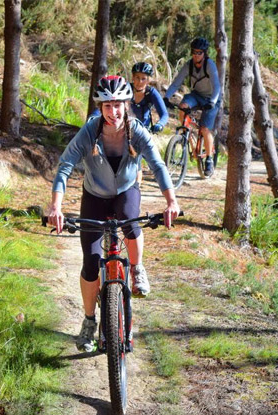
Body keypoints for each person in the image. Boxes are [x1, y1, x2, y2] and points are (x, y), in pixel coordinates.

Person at [47, 75, 180, 352]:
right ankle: (88, 321)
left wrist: (171, 202)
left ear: (127, 104)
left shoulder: (137, 131)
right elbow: (64, 166)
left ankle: (137, 268)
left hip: (126, 192)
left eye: (118, 104)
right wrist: (56, 207)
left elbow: (157, 165)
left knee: (131, 221)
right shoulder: (89, 132)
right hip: (94, 197)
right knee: (90, 263)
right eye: (107, 106)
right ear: (101, 107)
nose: (113, 111)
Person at [164, 37, 220, 177]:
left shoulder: (210, 65)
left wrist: (212, 101)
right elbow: (177, 82)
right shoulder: (189, 65)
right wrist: (166, 96)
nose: (196, 55)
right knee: (183, 106)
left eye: (199, 52)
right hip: (196, 95)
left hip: (212, 98)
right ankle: (185, 136)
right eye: (194, 52)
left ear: (205, 53)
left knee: (205, 128)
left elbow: (217, 86)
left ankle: (209, 159)